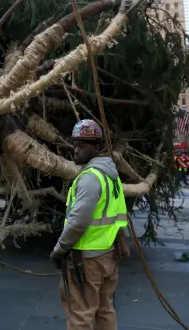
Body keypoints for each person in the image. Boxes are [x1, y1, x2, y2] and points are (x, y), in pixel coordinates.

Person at [49, 120, 128, 330]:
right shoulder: (111, 176)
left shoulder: (89, 178)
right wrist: (121, 241)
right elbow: (120, 216)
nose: (76, 149)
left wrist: (59, 250)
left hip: (86, 259)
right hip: (107, 255)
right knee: (104, 310)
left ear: (98, 147)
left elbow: (77, 223)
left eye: (82, 145)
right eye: (75, 144)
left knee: (81, 314)